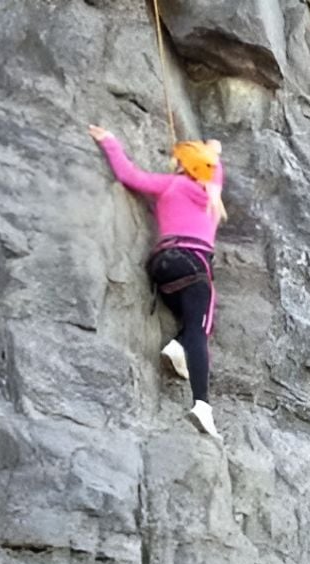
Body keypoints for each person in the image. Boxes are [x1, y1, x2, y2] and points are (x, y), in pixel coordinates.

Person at [89, 124, 227, 437]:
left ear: (184, 166)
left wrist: (109, 140)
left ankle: (178, 346)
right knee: (199, 329)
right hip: (194, 263)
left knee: (191, 319)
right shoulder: (209, 197)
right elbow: (215, 176)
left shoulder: (168, 185)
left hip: (162, 267)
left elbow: (129, 175)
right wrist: (215, 153)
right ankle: (202, 405)